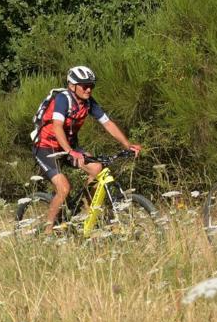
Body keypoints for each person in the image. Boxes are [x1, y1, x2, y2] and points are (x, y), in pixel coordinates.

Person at [31, 66, 142, 230]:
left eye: (91, 85)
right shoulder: (63, 99)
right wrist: (70, 151)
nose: (89, 89)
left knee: (97, 168)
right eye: (84, 86)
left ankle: (88, 212)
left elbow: (107, 123)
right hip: (46, 147)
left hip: (69, 146)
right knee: (64, 188)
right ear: (72, 85)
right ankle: (47, 232)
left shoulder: (88, 102)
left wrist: (128, 145)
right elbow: (57, 126)